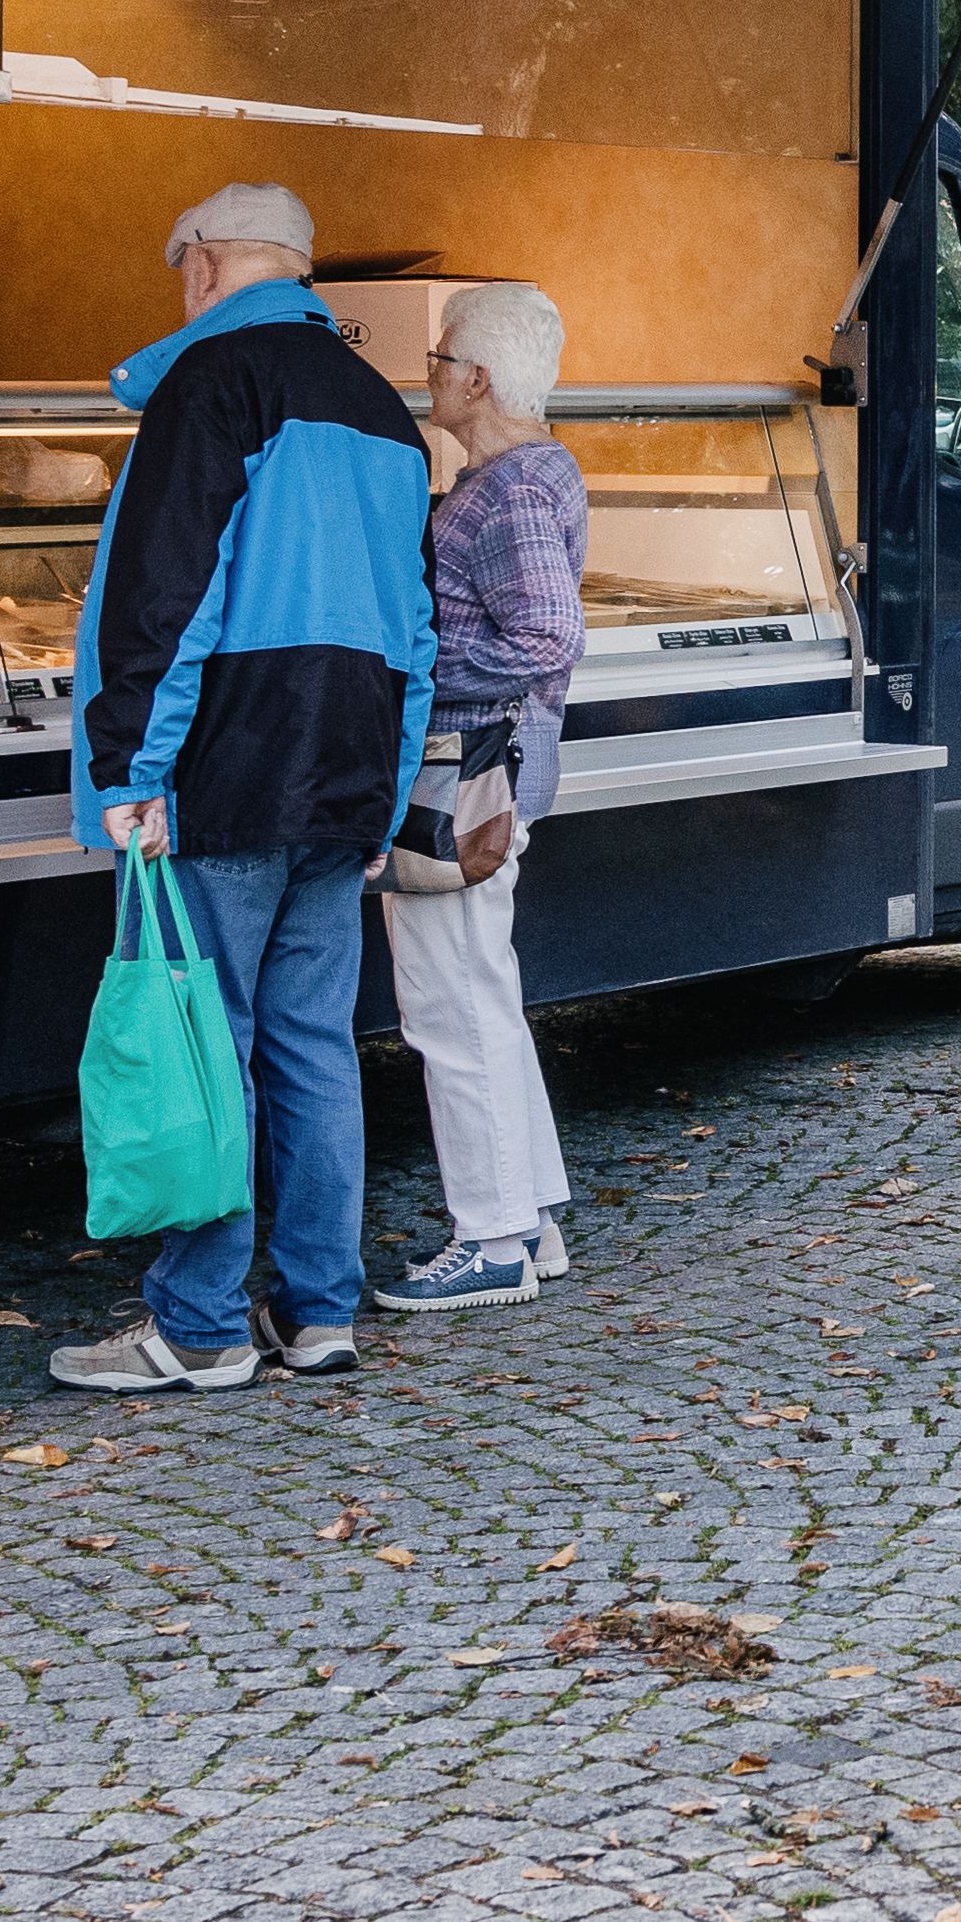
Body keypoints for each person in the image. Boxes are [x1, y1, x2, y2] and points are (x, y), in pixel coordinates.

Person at [51, 184, 437, 1394]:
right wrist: (385, 794)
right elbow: (417, 631)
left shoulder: (209, 383)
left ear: (203, 263)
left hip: (226, 763)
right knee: (315, 1044)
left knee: (206, 1040)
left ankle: (202, 1324)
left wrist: (129, 763)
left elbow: (163, 596)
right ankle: (317, 1310)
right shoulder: (385, 407)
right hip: (347, 771)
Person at [377, 282, 589, 1311]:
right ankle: (530, 1215)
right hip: (501, 767)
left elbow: (547, 634)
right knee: (484, 993)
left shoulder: (502, 491)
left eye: (439, 358)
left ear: (481, 378)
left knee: (449, 1005)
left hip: (467, 772)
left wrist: (415, 656)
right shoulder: (531, 477)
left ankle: (491, 1238)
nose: (429, 374)